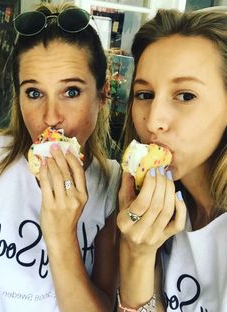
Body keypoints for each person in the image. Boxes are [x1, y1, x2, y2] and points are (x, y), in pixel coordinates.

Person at [0, 2, 121, 311]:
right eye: (34, 93)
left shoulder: (113, 186)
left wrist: (60, 234)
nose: (51, 117)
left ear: (102, 94)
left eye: (71, 92)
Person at [116, 9, 227, 312]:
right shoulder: (146, 209)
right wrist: (138, 254)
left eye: (185, 96)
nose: (153, 122)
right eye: (145, 94)